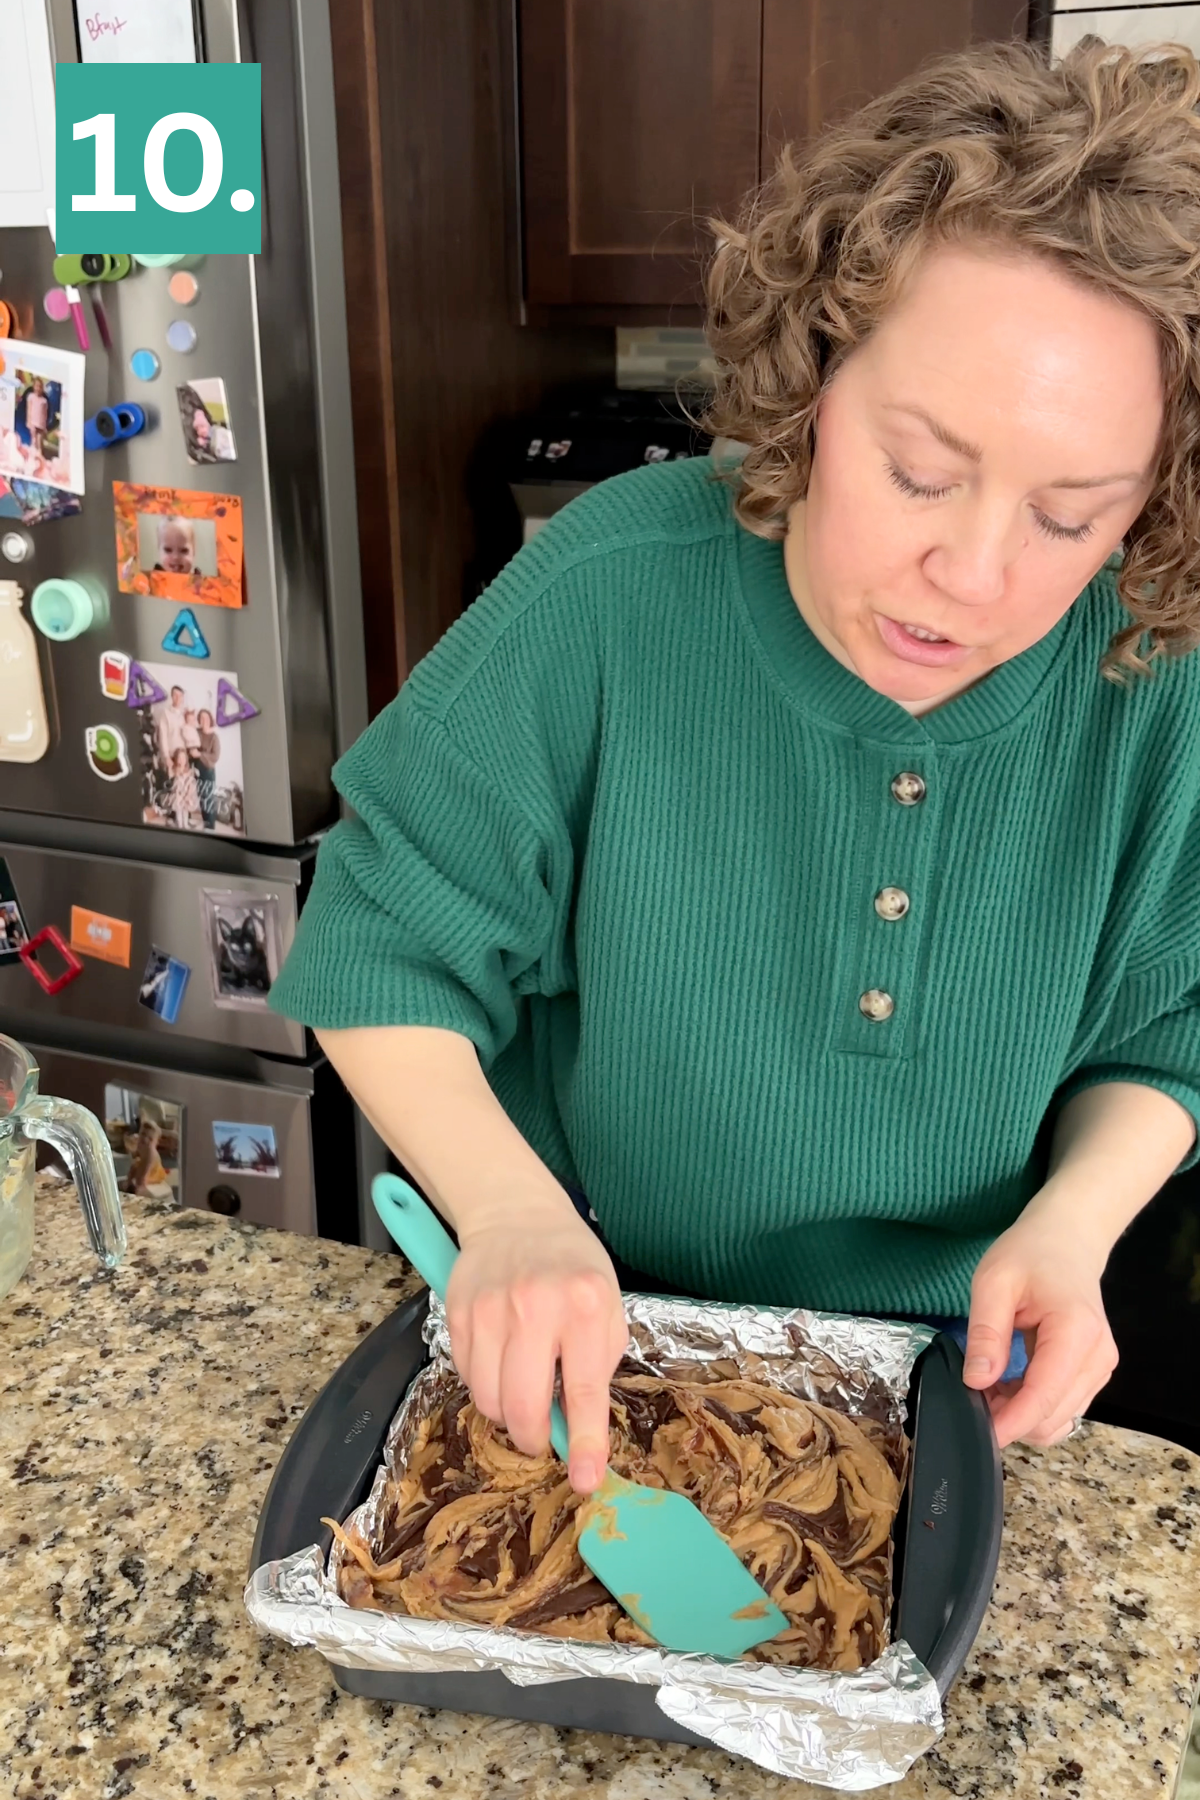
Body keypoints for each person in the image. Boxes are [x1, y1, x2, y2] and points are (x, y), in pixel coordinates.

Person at [271, 39, 1200, 1494]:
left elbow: (1169, 1033)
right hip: (587, 1325)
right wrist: (508, 1216)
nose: (970, 574)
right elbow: (379, 942)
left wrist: (1075, 1225)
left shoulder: (1157, 673)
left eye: (1071, 516)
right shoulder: (609, 591)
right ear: (818, 372)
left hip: (955, 1381)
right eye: (918, 469)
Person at [190, 706, 220, 830]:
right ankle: (206, 823)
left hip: (208, 770)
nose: (204, 720)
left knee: (208, 798)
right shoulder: (195, 732)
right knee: (201, 798)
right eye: (201, 718)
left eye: (206, 717)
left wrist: (200, 754)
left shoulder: (214, 737)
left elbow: (215, 756)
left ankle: (211, 826)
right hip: (196, 769)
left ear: (210, 719)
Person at [169, 745, 199, 831]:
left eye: (183, 758)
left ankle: (185, 823)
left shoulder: (189, 771)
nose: (181, 760)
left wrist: (188, 794)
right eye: (179, 758)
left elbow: (191, 783)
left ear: (186, 759)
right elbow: (174, 784)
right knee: (179, 806)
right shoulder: (174, 770)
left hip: (187, 794)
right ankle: (179, 823)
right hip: (178, 794)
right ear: (176, 759)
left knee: (185, 808)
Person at [24, 378, 48, 468]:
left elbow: (44, 414)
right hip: (33, 422)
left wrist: (44, 426)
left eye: (40, 387)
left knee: (39, 442)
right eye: (36, 386)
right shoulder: (30, 396)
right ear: (34, 387)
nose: (38, 388)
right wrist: (29, 421)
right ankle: (31, 459)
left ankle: (41, 460)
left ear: (42, 388)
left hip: (40, 424)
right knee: (33, 441)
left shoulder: (44, 400)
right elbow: (29, 409)